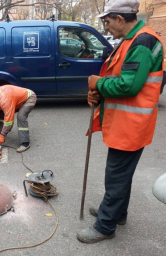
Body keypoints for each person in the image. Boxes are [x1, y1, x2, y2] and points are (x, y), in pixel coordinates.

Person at [77, 0, 164, 243]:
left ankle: (105, 226)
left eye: (106, 21)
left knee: (115, 176)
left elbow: (129, 85)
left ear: (120, 18)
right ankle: (118, 213)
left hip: (132, 126)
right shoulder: (130, 40)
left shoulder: (143, 42)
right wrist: (100, 91)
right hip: (126, 123)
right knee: (121, 174)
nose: (105, 27)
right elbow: (120, 77)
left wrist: (98, 83)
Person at [0, 85, 37, 153]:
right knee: (1, 111)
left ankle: (25, 143)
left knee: (21, 117)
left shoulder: (5, 100)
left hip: (29, 98)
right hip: (14, 99)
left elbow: (9, 121)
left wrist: (3, 135)